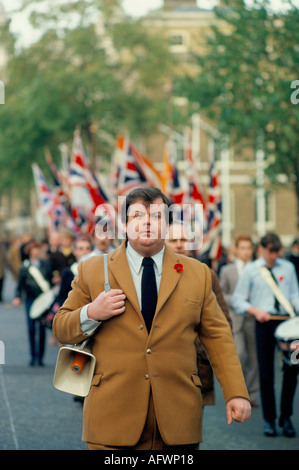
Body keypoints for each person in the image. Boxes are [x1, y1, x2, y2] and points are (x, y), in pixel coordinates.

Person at [53, 187, 251, 451]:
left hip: (177, 418)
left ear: (167, 225)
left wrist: (236, 392)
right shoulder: (92, 269)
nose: (146, 222)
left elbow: (218, 336)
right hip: (112, 417)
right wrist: (91, 313)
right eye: (137, 215)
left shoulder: (197, 273)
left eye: (156, 216)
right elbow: (61, 328)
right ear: (124, 224)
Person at [232, 232, 299, 438]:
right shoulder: (251, 270)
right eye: (270, 252)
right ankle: (269, 420)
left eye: (276, 252)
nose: (273, 257)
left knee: (292, 371)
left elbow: (295, 294)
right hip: (264, 324)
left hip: (289, 325)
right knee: (266, 374)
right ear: (261, 249)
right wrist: (255, 311)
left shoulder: (287, 267)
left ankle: (286, 417)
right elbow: (238, 300)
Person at [165, 220, 231, 406]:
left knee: (190, 428)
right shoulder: (149, 273)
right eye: (173, 239)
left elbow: (223, 321)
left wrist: (203, 350)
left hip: (195, 364)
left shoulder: (206, 274)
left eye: (184, 239)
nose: (179, 244)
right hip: (160, 365)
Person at [219, 233, 259, 407]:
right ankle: (239, 391)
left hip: (254, 318)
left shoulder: (258, 269)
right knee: (240, 355)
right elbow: (221, 294)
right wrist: (237, 299)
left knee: (254, 358)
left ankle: (252, 393)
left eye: (248, 248)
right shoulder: (227, 270)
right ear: (236, 250)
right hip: (236, 318)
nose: (246, 252)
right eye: (242, 248)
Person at [13, 240, 53, 366]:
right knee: (31, 328)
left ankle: (40, 358)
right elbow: (20, 283)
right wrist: (17, 296)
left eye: (37, 249)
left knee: (41, 327)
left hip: (43, 298)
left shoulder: (45, 264)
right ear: (29, 252)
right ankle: (33, 356)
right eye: (34, 249)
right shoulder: (25, 266)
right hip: (30, 298)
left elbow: (50, 279)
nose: (36, 251)